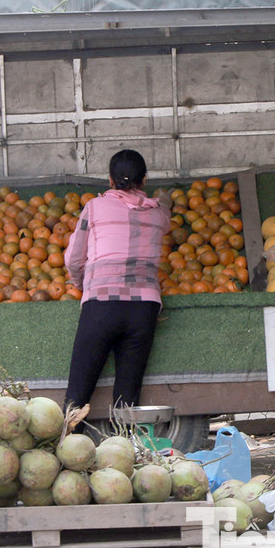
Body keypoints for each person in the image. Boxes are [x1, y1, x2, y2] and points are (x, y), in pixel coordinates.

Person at [64, 149, 171, 418]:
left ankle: (66, 441)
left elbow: (75, 257)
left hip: (102, 304)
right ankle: (126, 448)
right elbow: (163, 212)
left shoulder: (94, 207)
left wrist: (81, 284)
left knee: (78, 391)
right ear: (144, 180)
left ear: (110, 180)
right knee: (127, 395)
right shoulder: (160, 214)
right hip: (144, 308)